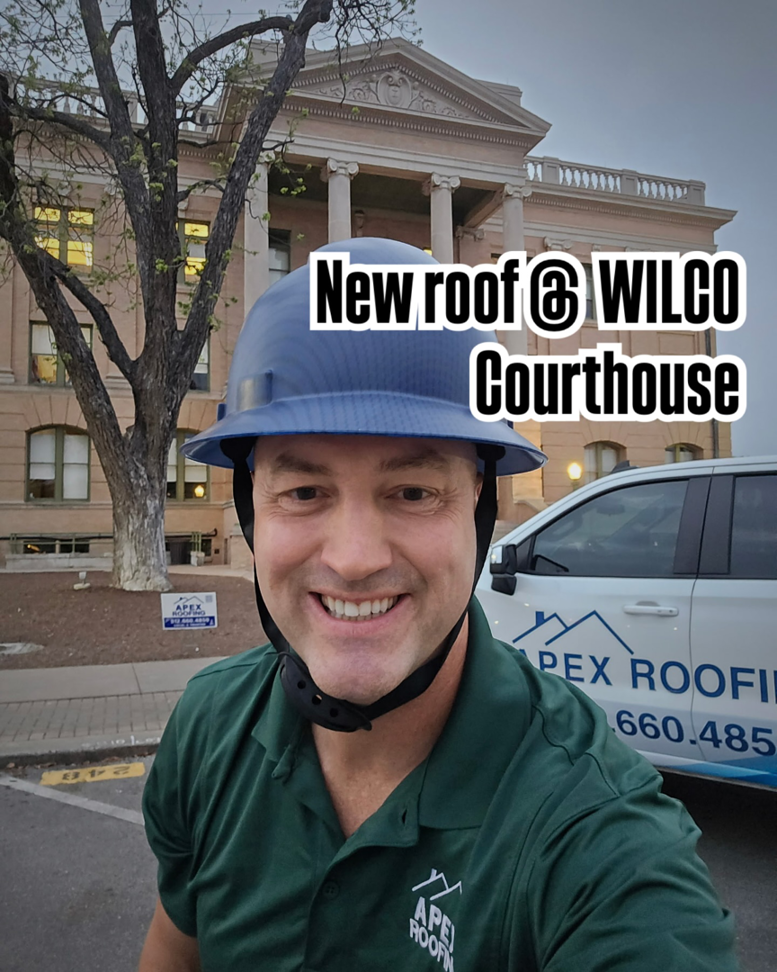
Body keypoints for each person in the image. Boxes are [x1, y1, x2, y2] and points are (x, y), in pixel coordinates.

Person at [140, 238, 738, 971]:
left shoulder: (592, 831)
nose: (354, 559)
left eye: (414, 492)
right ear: (250, 510)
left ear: (479, 508)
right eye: (303, 492)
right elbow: (176, 947)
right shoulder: (208, 726)